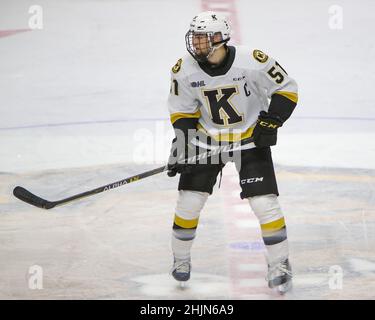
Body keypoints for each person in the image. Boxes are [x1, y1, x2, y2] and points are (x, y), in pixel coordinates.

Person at [166, 11, 298, 294]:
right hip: (206, 141)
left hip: (249, 141)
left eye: (203, 38)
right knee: (188, 203)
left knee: (265, 204)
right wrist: (183, 143)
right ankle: (181, 259)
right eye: (195, 38)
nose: (197, 44)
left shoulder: (253, 60)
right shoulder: (183, 69)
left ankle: (280, 264)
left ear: (220, 38)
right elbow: (182, 110)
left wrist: (272, 119)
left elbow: (286, 89)